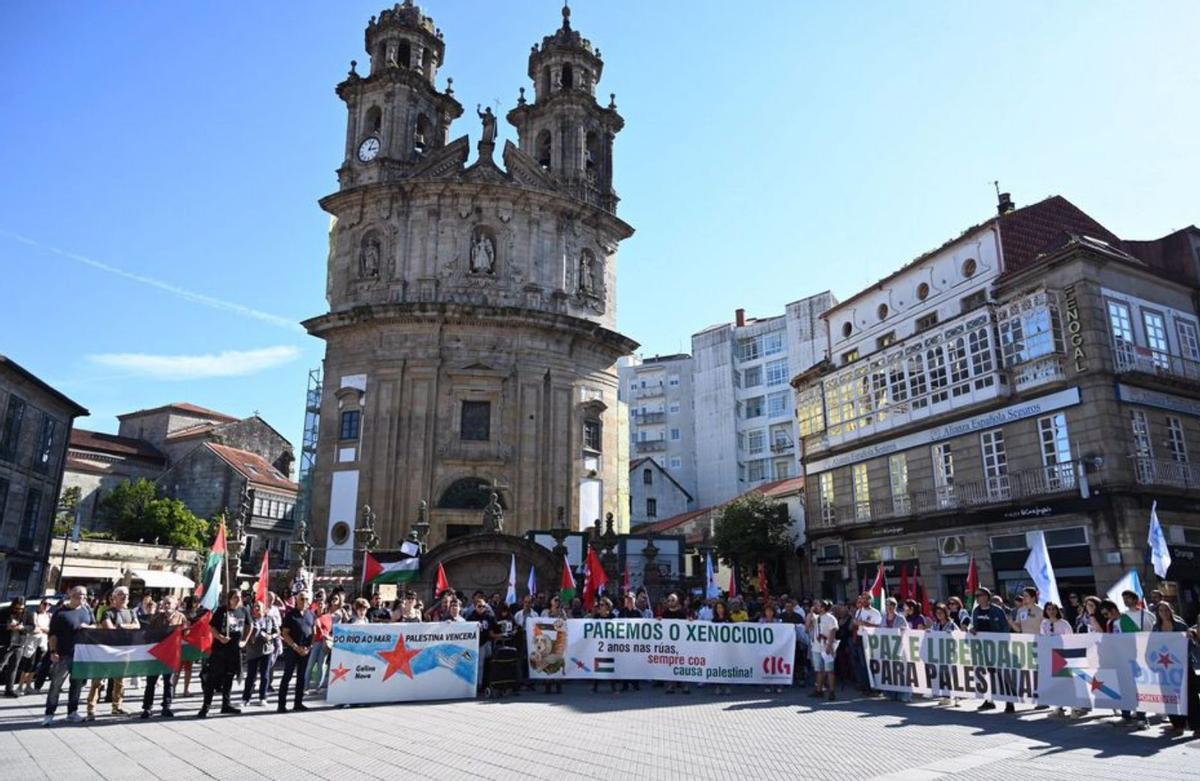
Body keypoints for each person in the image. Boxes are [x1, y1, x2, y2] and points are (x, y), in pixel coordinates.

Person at [42, 586, 96, 726]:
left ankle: (72, 712)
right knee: (56, 685)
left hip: (80, 655)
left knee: (77, 685)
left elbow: (95, 627)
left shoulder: (87, 610)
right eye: (79, 595)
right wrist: (53, 651)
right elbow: (52, 634)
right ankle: (49, 713)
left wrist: (87, 627)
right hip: (63, 654)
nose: (82, 598)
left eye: (84, 595)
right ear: (71, 595)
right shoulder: (60, 613)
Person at [87, 585, 140, 719]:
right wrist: (127, 628)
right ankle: (91, 708)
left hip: (123, 650)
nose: (124, 597)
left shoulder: (131, 612)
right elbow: (110, 630)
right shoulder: (107, 612)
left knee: (120, 681)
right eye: (121, 594)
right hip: (106, 651)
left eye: (126, 594)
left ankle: (117, 707)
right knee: (97, 681)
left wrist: (123, 626)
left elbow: (137, 626)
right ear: (114, 597)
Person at [198, 590, 249, 718]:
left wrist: (244, 641)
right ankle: (206, 706)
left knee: (229, 678)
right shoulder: (222, 611)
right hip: (220, 650)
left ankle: (226, 704)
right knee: (213, 679)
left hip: (234, 650)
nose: (237, 600)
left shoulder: (244, 610)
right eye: (234, 597)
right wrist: (220, 637)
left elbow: (251, 625)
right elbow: (212, 627)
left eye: (239, 597)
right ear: (229, 599)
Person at [969, 587, 1013, 712]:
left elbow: (1005, 628)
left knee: (1002, 675)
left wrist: (1002, 644)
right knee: (989, 675)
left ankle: (1009, 702)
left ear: (987, 596)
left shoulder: (997, 610)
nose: (978, 598)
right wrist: (972, 630)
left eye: (980, 595)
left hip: (997, 648)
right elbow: (974, 626)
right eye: (976, 596)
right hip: (983, 649)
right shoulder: (976, 611)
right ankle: (989, 700)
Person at [140, 595, 185, 719]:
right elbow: (148, 634)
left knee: (169, 682)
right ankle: (147, 708)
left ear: (176, 605)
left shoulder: (181, 618)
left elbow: (186, 634)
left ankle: (166, 706)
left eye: (169, 603)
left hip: (171, 655)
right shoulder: (156, 618)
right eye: (164, 603)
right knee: (151, 682)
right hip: (157, 655)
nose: (166, 606)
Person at [278, 591, 315, 712]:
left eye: (306, 599)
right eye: (302, 599)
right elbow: (285, 633)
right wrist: (295, 646)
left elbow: (313, 633)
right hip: (292, 650)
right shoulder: (290, 615)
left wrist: (309, 647)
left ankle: (298, 703)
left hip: (305, 650)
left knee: (301, 678)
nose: (304, 602)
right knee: (287, 676)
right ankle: (281, 705)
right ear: (297, 600)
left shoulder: (311, 614)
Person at [241, 599, 279, 707]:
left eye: (259, 607)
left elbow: (277, 632)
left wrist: (270, 636)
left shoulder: (269, 619)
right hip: (253, 651)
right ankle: (246, 698)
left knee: (265, 675)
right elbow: (244, 632)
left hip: (266, 650)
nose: (256, 609)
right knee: (251, 676)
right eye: (255, 607)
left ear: (263, 609)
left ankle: (263, 697)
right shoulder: (250, 620)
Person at [1038, 602, 1073, 715]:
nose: (1051, 611)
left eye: (1053, 609)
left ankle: (1073, 706)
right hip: (1050, 655)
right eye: (1048, 609)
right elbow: (1043, 637)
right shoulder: (1044, 623)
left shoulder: (1064, 623)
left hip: (1062, 655)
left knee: (1066, 681)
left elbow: (1070, 639)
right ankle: (1059, 706)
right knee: (1055, 682)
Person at [18, 598, 51, 696]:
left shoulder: (49, 616)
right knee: (28, 664)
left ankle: (28, 685)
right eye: (44, 604)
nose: (46, 606)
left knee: (36, 665)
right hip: (31, 642)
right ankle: (20, 686)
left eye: (49, 604)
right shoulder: (34, 614)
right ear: (40, 604)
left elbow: (49, 630)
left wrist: (41, 629)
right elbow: (33, 628)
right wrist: (41, 629)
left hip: (42, 643)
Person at [851, 593, 882, 694]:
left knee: (868, 664)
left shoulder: (875, 613)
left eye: (865, 599)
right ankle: (864, 685)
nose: (862, 601)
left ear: (870, 600)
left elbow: (878, 626)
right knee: (860, 665)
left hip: (870, 640)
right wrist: (856, 623)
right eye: (862, 599)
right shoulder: (859, 611)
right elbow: (856, 623)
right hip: (859, 639)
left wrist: (865, 624)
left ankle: (872, 686)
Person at [470, 593, 499, 695]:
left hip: (487, 642)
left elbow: (495, 627)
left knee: (488, 663)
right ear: (475, 606)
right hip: (477, 643)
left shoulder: (489, 616)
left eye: (483, 606)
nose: (481, 608)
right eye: (479, 606)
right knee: (480, 664)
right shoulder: (472, 616)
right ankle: (479, 684)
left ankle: (487, 682)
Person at [661, 593, 690, 694]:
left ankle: (684, 685)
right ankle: (671, 685)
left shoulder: (682, 612)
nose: (670, 602)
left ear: (677, 601)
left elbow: (688, 625)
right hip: (670, 643)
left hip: (681, 643)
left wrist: (690, 621)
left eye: (672, 600)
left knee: (682, 663)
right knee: (670, 663)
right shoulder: (665, 613)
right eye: (669, 600)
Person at [1, 596, 30, 697]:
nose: (19, 610)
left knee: (14, 668)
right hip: (5, 643)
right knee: (1, 665)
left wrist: (23, 628)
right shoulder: (4, 612)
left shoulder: (26, 614)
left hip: (19, 644)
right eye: (17, 608)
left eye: (21, 608)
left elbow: (32, 626)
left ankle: (9, 689)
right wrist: (7, 627)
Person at [810, 600, 839, 702]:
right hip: (817, 647)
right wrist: (810, 612)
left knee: (829, 670)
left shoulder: (831, 618)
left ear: (823, 608)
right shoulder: (817, 618)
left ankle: (831, 691)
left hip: (827, 646)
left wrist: (829, 645)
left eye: (818, 606)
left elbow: (833, 631)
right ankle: (819, 690)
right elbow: (808, 624)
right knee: (819, 670)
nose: (816, 607)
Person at [590, 598, 617, 694]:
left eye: (602, 605)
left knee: (610, 665)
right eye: (599, 605)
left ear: (607, 606)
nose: (600, 607)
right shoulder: (596, 617)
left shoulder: (613, 617)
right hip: (598, 645)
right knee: (598, 665)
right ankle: (595, 687)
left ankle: (613, 687)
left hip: (609, 645)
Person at [759, 602, 784, 693]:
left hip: (777, 647)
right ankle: (767, 685)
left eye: (770, 611)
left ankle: (778, 685)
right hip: (766, 647)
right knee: (766, 666)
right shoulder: (761, 621)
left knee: (776, 666)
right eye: (767, 611)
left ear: (773, 612)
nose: (769, 613)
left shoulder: (778, 621)